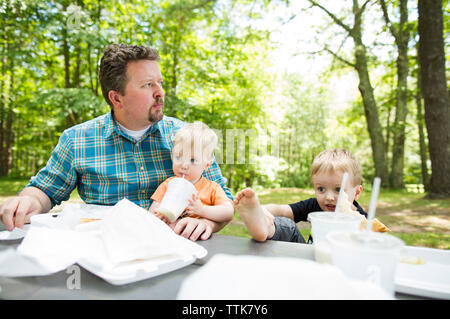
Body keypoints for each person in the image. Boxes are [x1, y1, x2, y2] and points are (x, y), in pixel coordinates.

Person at [0, 44, 233, 241]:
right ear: (116, 98)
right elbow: (44, 191)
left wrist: (207, 223)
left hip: (176, 249)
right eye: (147, 85)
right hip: (107, 250)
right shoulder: (77, 140)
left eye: (160, 83)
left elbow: (224, 201)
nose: (160, 92)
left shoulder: (186, 136)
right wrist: (27, 201)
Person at [234, 148, 389, 243]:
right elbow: (282, 210)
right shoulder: (315, 206)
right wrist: (260, 209)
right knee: (287, 226)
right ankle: (262, 226)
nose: (329, 197)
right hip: (309, 259)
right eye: (321, 189)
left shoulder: (361, 221)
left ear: (356, 192)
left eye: (338, 190)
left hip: (339, 266)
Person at [149, 122, 234, 224]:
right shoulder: (168, 185)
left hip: (198, 238)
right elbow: (152, 212)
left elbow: (228, 212)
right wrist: (160, 214)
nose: (184, 165)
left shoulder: (212, 188)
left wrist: (203, 210)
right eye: (178, 157)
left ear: (207, 165)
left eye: (193, 160)